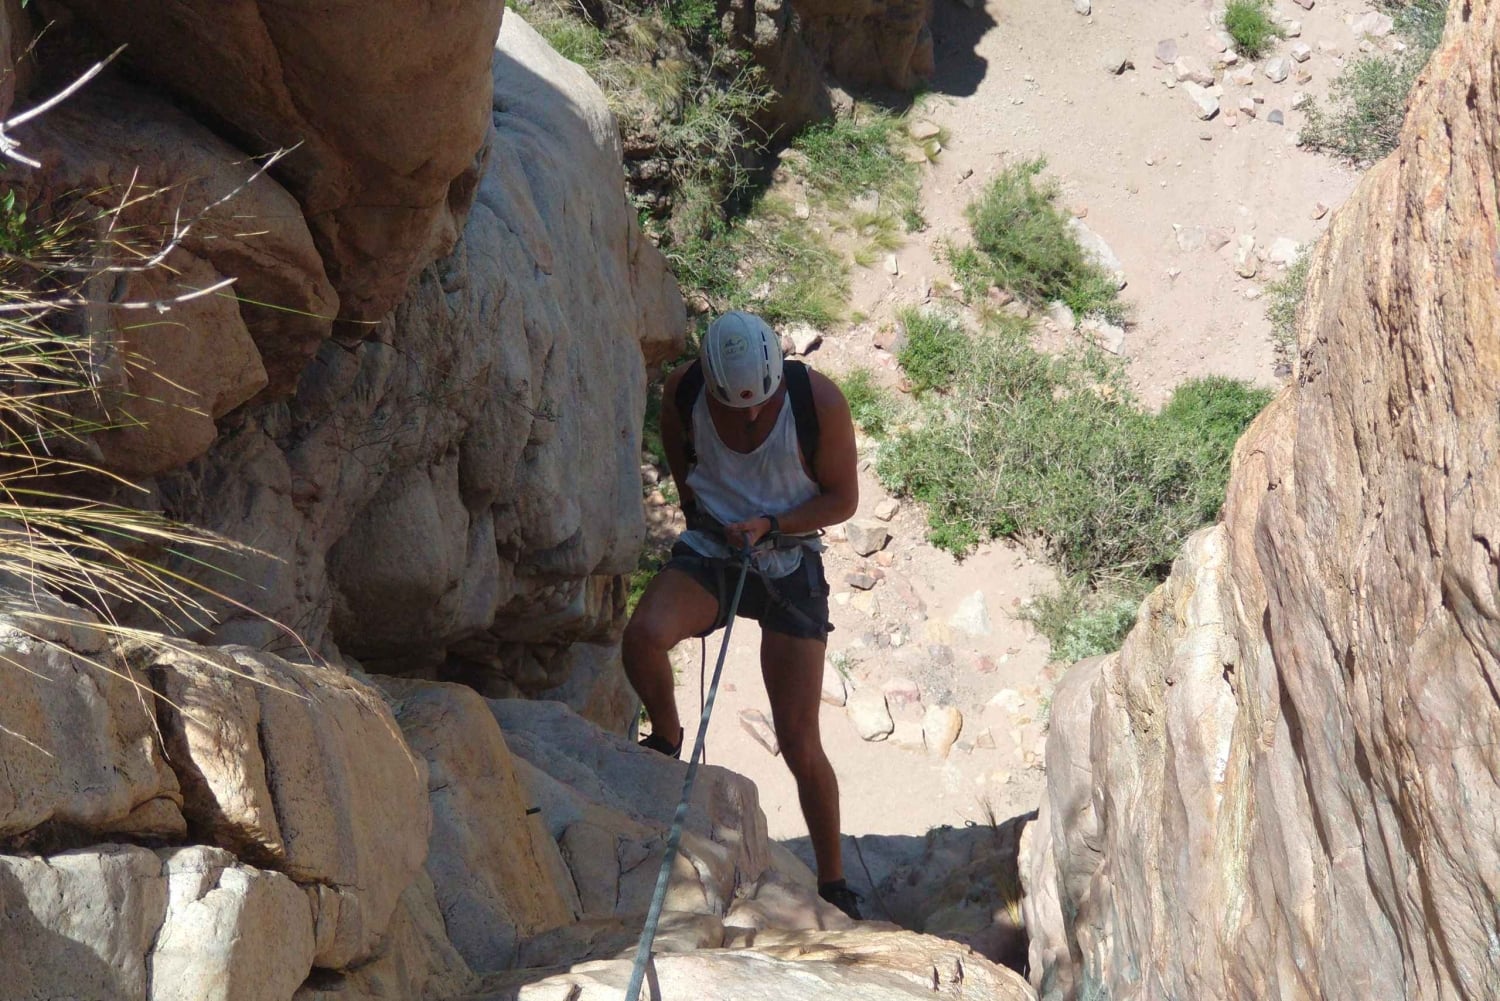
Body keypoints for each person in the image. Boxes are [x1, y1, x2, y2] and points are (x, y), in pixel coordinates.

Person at [622, 310, 863, 920]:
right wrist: (704, 515)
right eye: (738, 408)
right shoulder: (686, 391)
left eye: (761, 404)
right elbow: (682, 458)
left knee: (798, 738)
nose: (752, 416)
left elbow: (843, 499)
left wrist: (775, 524)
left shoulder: (818, 403)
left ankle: (834, 881)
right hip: (718, 548)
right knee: (644, 636)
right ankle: (669, 738)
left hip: (789, 555)